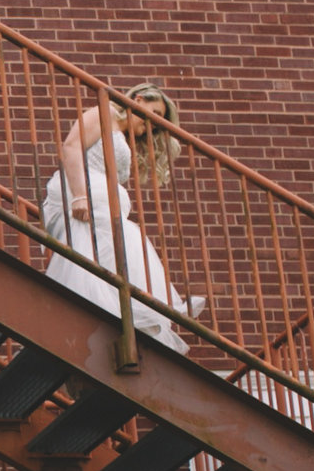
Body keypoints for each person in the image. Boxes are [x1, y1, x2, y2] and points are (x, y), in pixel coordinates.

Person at [39, 82, 205, 354]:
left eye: (160, 122)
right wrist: (80, 195)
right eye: (153, 113)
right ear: (137, 100)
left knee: (125, 249)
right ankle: (99, 315)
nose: (153, 123)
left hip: (103, 202)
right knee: (108, 248)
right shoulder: (102, 113)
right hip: (83, 196)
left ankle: (124, 315)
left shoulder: (123, 136)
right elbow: (71, 148)